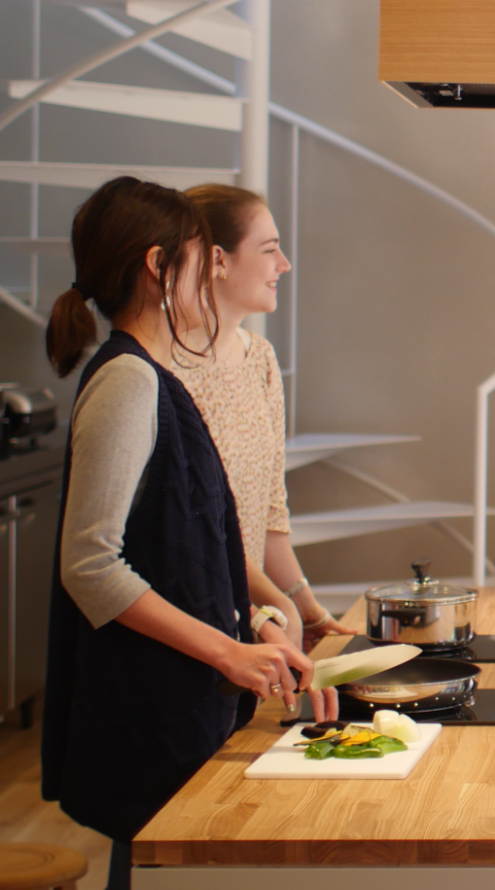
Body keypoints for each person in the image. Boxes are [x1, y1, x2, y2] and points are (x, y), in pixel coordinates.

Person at [40, 177, 315, 890]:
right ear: (160, 266)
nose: (214, 269)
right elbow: (91, 566)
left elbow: (193, 545)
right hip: (150, 700)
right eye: (203, 256)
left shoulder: (158, 376)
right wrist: (229, 650)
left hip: (181, 692)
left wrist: (266, 614)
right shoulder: (129, 380)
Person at [174, 184, 357, 659]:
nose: (285, 264)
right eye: (270, 249)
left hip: (248, 616)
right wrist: (266, 612)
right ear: (218, 260)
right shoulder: (164, 371)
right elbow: (186, 537)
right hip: (195, 625)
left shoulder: (261, 359)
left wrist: (306, 607)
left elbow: (270, 513)